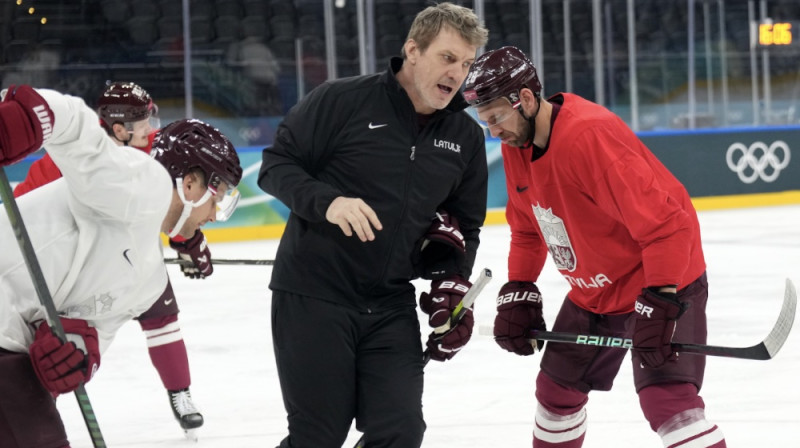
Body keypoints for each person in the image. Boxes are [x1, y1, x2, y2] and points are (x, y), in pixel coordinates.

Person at [463, 45, 726, 448]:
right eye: (485, 122)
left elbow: (668, 225)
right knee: (555, 395)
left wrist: (661, 300)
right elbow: (529, 230)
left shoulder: (589, 137)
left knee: (668, 404)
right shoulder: (517, 147)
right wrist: (520, 287)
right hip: (594, 294)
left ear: (526, 99)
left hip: (661, 282)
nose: (493, 132)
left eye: (496, 118)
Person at [258, 3, 489, 447]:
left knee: (400, 430)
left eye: (466, 64)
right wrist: (328, 202)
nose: (457, 73)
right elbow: (276, 165)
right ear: (413, 51)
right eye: (447, 57)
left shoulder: (465, 137)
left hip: (390, 304)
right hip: (315, 294)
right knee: (317, 436)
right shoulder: (342, 100)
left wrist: (452, 285)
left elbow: (466, 226)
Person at [0, 84, 242, 448]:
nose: (214, 216)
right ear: (190, 183)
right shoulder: (142, 182)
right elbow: (74, 124)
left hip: (11, 349)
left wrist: (77, 353)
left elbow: (95, 328)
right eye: (216, 201)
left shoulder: (150, 280)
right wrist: (29, 116)